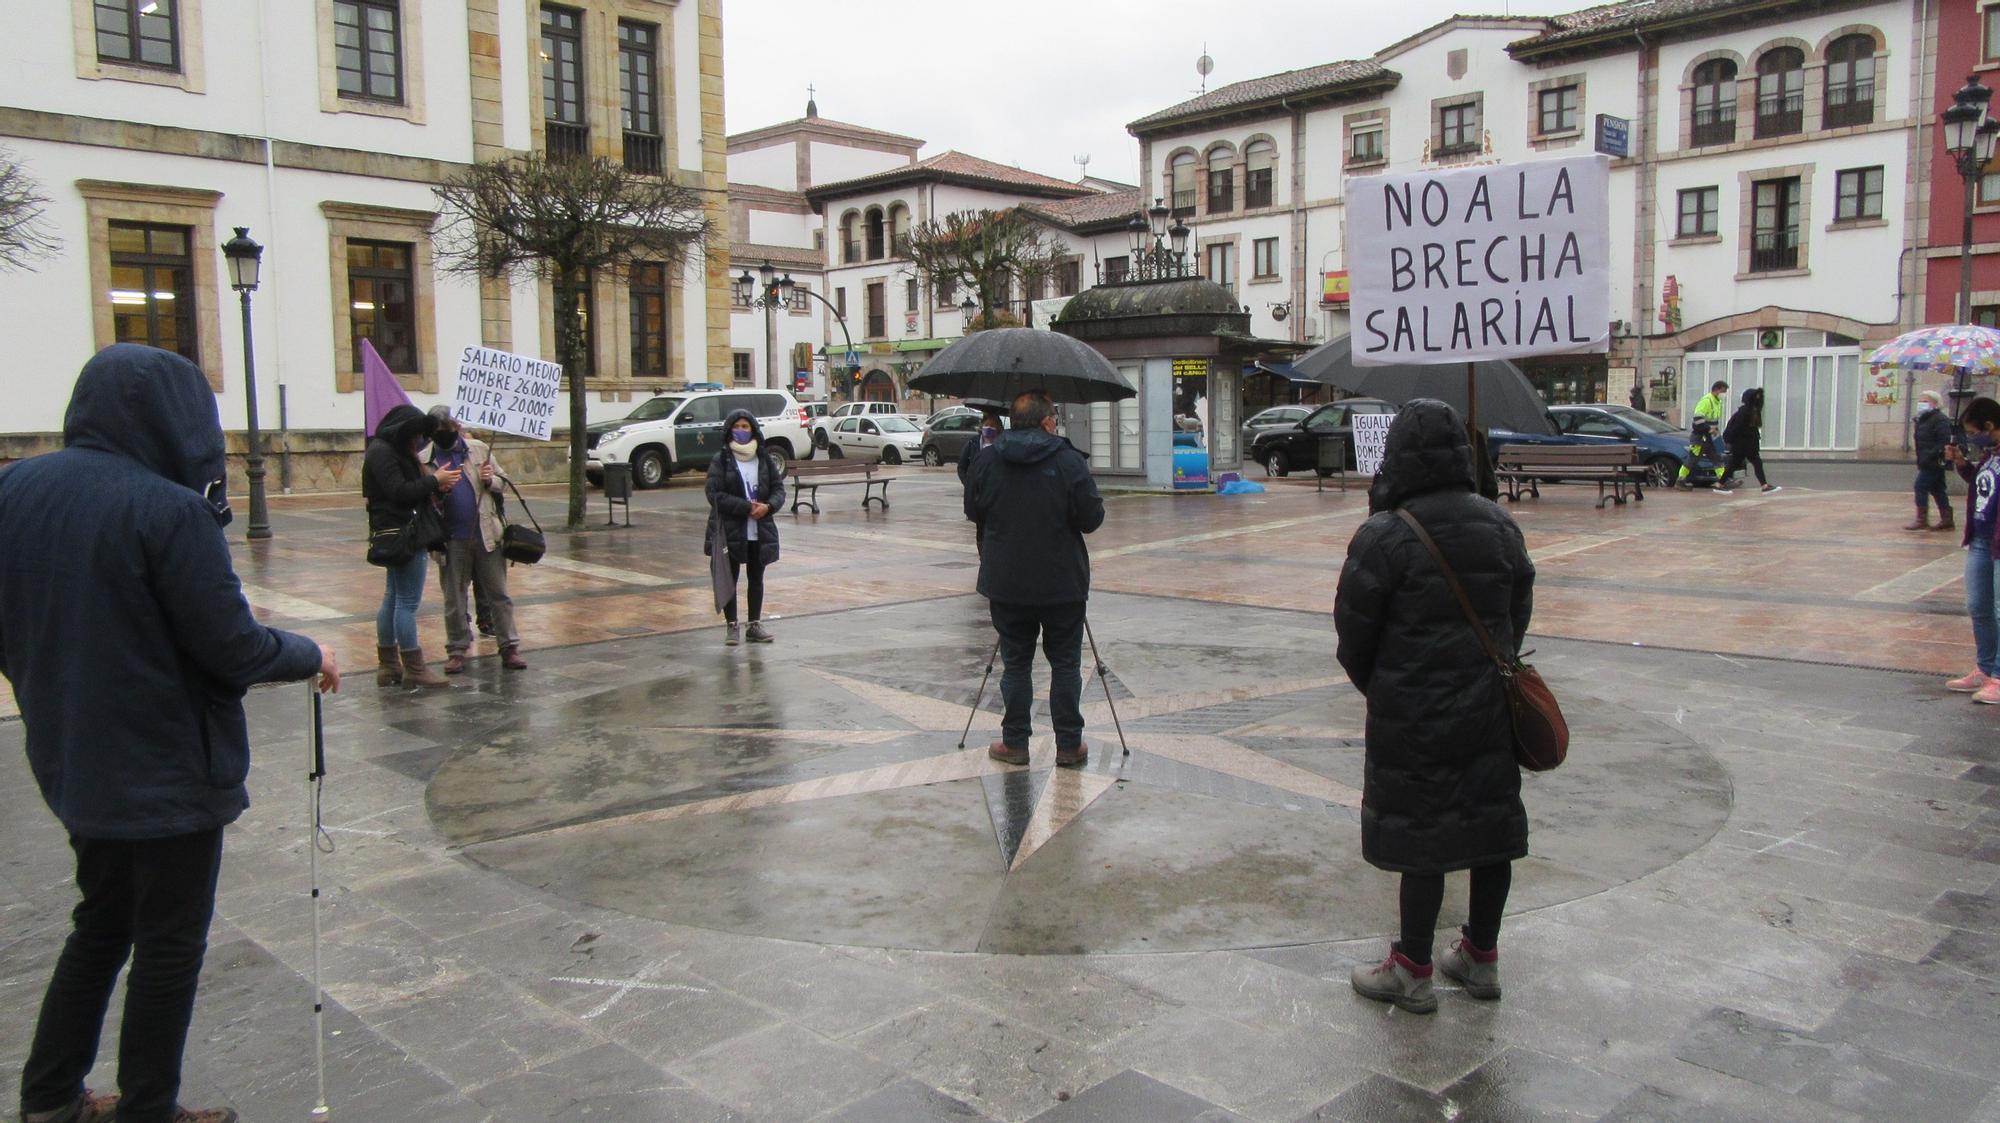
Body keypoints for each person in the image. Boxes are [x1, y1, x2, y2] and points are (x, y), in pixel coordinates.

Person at [2, 344, 338, 1123]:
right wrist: (312, 652)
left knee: (101, 922)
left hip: (73, 758)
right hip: (167, 772)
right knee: (167, 944)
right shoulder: (167, 508)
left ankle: (49, 1094)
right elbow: (233, 647)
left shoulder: (15, 488)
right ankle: (148, 1107)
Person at [1334, 399, 1535, 1014]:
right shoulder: (1500, 525)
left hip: (1413, 713)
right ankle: (1481, 955)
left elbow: (1353, 635)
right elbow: (1515, 615)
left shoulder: (1385, 534)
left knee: (1424, 832)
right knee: (1488, 824)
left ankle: (1413, 967)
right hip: (1487, 707)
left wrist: (1391, 685)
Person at [964, 391, 1105, 767]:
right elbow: (1091, 519)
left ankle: (1015, 743)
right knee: (1064, 664)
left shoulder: (987, 459)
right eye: (1054, 418)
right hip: (1062, 583)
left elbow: (972, 510)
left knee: (1016, 663)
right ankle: (1069, 745)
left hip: (1007, 581)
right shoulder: (1069, 461)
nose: (1056, 424)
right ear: (1046, 422)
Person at [363, 404, 459, 686]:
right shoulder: (385, 452)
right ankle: (414, 669)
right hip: (406, 533)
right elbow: (399, 492)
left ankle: (390, 665)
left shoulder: (381, 450)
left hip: (394, 531)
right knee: (406, 602)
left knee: (392, 597)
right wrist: (433, 480)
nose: (418, 441)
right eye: (415, 435)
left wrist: (434, 484)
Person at [426, 407, 526, 672]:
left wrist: (490, 479)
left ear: (457, 427)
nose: (444, 436)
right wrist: (437, 489)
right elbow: (422, 498)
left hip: (486, 535)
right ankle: (457, 649)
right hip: (450, 539)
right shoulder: (425, 459)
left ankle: (509, 647)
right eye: (437, 432)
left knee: (499, 594)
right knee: (454, 599)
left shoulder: (479, 449)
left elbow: (504, 481)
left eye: (447, 430)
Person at [705, 409, 785, 646]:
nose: (741, 431)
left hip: (759, 528)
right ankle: (732, 625)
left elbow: (778, 489)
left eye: (745, 426)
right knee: (730, 577)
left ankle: (754, 624)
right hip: (731, 528)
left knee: (756, 577)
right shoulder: (722, 459)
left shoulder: (764, 459)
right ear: (729, 430)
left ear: (754, 430)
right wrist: (745, 507)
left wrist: (768, 506)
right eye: (737, 426)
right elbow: (714, 493)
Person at [1946, 397, 2000, 703]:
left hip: (1998, 542)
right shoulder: (1990, 454)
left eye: (1973, 432)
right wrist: (1963, 464)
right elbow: (1984, 485)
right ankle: (1985, 666)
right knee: (1979, 607)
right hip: (1980, 539)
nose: (1971, 438)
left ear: (1989, 426)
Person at [958, 402, 1007, 555]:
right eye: (986, 425)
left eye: (992, 426)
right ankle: (983, 555)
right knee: (981, 529)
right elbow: (962, 467)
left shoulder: (1004, 445)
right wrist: (969, 483)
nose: (989, 429)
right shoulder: (973, 443)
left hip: (997, 498)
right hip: (978, 496)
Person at [1714, 388, 1777, 495]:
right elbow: (1737, 429)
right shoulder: (1745, 412)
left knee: (1753, 463)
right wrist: (1731, 442)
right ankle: (1720, 484)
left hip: (1748, 444)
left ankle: (1764, 485)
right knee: (1736, 464)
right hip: (1742, 444)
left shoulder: (1753, 410)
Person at [1910, 390, 1955, 532]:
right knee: (1937, 489)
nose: (1921, 404)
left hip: (1934, 461)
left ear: (1935, 403)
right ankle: (1947, 519)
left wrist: (1931, 454)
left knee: (1920, 486)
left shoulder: (1939, 419)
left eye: (1925, 401)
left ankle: (1921, 519)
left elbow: (1944, 440)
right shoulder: (1922, 419)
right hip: (1926, 460)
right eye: (1920, 401)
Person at [1678, 380, 1729, 489]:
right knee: (1693, 459)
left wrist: (1714, 430)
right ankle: (1681, 480)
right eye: (1723, 391)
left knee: (1717, 458)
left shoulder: (1716, 402)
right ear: (1717, 389)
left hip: (1710, 437)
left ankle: (1723, 480)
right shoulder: (1706, 401)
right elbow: (1697, 420)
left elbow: (1713, 420)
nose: (1724, 395)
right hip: (1700, 437)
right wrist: (1709, 428)